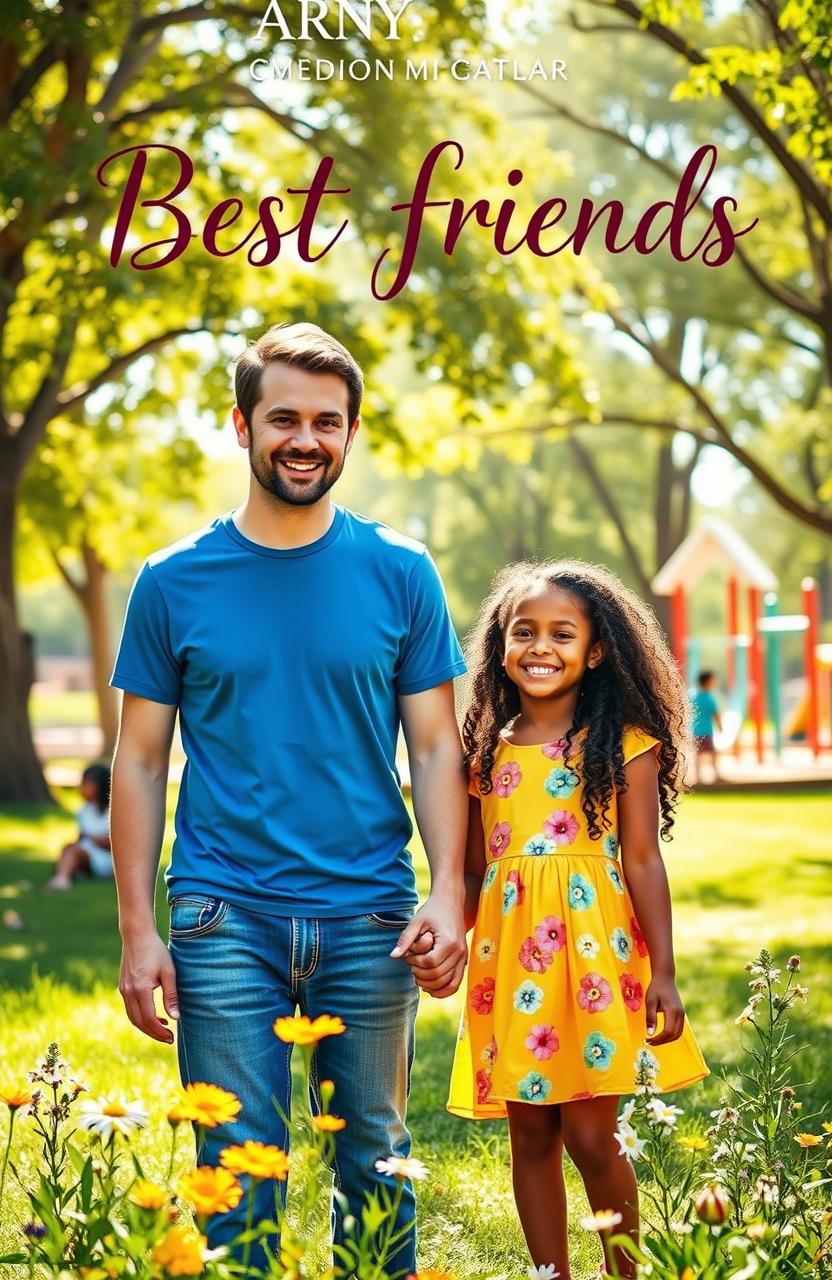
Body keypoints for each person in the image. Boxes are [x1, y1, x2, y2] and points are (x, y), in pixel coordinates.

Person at [109, 323, 468, 1271]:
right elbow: (139, 762)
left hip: (372, 914)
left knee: (377, 1165)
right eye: (284, 419)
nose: (305, 439)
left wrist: (448, 891)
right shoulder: (171, 581)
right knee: (233, 1176)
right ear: (242, 426)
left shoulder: (402, 570)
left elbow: (436, 746)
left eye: (327, 421)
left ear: (351, 432)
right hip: (222, 914)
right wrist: (138, 931)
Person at [433, 560, 708, 1278]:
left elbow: (643, 861)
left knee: (592, 1134)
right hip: (509, 966)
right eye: (523, 631)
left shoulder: (624, 742)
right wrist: (445, 939)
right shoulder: (482, 752)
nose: (540, 646)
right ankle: (548, 1274)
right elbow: (470, 871)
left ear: (597, 650)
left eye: (562, 633)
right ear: (500, 645)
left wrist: (667, 975)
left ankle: (626, 1272)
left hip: (595, 962)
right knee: (530, 1134)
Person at [45, 762, 112, 890]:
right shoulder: (83, 811)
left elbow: (115, 843)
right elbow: (81, 836)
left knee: (74, 851)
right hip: (88, 853)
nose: (81, 788)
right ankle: (65, 874)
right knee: (68, 848)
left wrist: (93, 839)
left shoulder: (111, 812)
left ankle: (62, 879)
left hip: (105, 857)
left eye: (86, 784)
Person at [691, 670, 722, 785]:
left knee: (699, 753)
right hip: (706, 731)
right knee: (713, 753)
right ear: (708, 682)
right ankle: (716, 774)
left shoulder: (693, 695)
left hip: (695, 730)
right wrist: (720, 726)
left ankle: (698, 776)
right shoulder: (708, 698)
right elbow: (716, 714)